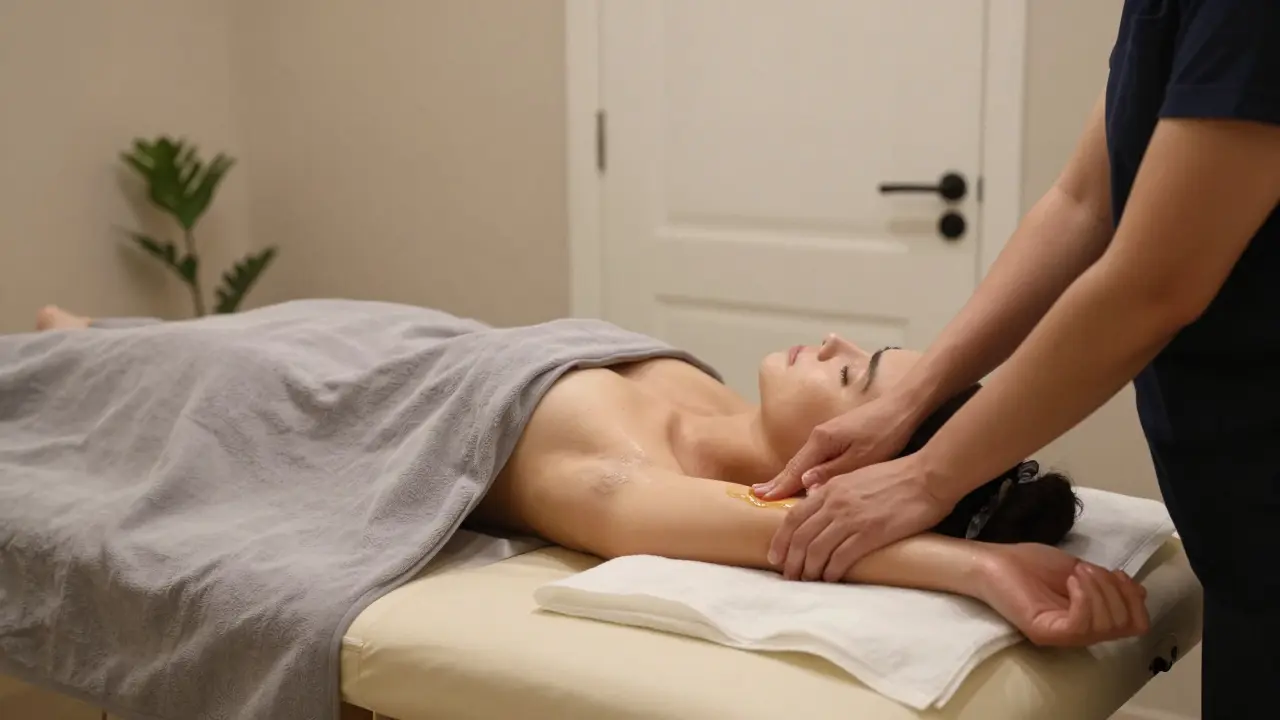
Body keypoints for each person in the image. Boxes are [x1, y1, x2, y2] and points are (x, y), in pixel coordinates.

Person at [32, 305, 1146, 648]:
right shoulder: (717, 408)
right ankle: (101, 341)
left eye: (853, 378)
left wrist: (978, 569)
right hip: (359, 337)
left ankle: (90, 354)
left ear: (844, 481)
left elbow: (765, 536)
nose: (830, 345)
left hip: (285, 399)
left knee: (73, 392)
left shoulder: (637, 475)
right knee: (135, 352)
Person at [757, 3, 1280, 717]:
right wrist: (909, 407)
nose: (829, 346)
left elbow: (1154, 283)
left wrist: (926, 477)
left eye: (863, 368)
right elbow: (1084, 205)